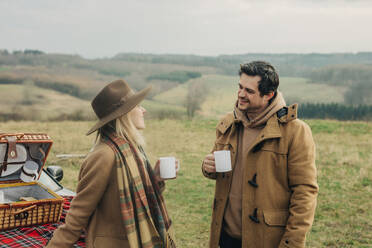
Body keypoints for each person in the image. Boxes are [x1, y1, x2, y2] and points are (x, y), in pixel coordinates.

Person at [47, 79, 176, 248]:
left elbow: (143, 200)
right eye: (138, 106)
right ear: (125, 114)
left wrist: (156, 178)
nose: (143, 110)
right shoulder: (104, 155)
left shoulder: (132, 149)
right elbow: (77, 216)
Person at [202, 61, 318, 248]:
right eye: (240, 87)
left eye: (249, 91)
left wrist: (292, 243)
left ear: (269, 95)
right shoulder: (228, 123)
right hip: (225, 238)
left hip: (268, 241)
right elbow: (215, 165)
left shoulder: (295, 131)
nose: (241, 94)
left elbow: (305, 192)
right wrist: (207, 167)